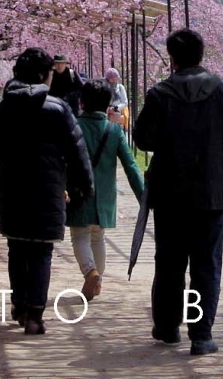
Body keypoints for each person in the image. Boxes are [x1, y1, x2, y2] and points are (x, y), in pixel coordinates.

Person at [133, 27, 223, 357]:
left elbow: (143, 139)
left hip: (170, 192)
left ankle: (168, 327)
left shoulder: (160, 93)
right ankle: (201, 335)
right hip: (212, 194)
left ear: (171, 57)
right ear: (202, 53)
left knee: (169, 262)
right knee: (206, 264)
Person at [0, 47, 94, 334]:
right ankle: (35, 317)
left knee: (17, 248)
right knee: (41, 251)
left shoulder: (1, 110)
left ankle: (20, 304)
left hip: (13, 187)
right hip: (49, 190)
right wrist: (83, 187)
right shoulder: (59, 109)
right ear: (43, 75)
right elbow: (77, 151)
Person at [69, 78, 144, 301]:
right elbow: (131, 165)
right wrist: (144, 197)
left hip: (78, 192)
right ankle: (97, 278)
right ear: (108, 104)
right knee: (97, 237)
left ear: (82, 102)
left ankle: (89, 272)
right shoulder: (114, 131)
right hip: (105, 196)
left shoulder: (73, 127)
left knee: (79, 236)